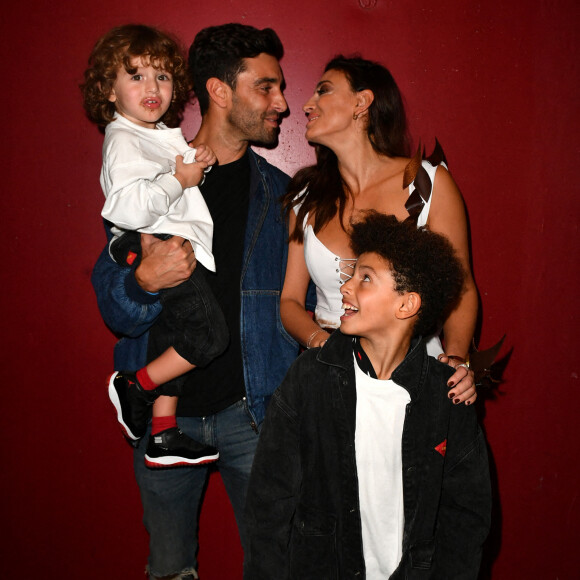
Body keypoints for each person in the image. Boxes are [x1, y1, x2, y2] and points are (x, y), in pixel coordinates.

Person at [91, 23, 299, 580]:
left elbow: (307, 306)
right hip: (166, 420)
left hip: (252, 417)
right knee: (170, 569)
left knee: (277, 565)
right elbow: (115, 306)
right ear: (220, 91)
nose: (282, 102)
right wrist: (144, 282)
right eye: (267, 86)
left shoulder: (282, 197)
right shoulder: (154, 173)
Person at [244, 212, 491, 579]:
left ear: (406, 305)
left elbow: (466, 519)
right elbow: (268, 501)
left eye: (365, 278)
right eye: (352, 275)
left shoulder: (446, 396)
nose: (345, 287)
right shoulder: (309, 379)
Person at [280, 55, 477, 403]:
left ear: (362, 101)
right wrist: (326, 348)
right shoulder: (306, 199)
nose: (308, 105)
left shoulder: (428, 184)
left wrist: (456, 360)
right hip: (330, 380)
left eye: (323, 91)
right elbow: (291, 301)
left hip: (414, 376)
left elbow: (459, 288)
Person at [82, 24, 230, 467]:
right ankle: (135, 386)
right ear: (109, 90)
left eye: (162, 76)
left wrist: (191, 162)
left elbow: (166, 178)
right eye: (136, 75)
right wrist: (179, 178)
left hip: (170, 241)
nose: (153, 87)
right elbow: (126, 205)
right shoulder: (123, 137)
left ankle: (163, 432)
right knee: (208, 336)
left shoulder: (150, 134)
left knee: (173, 336)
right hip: (154, 243)